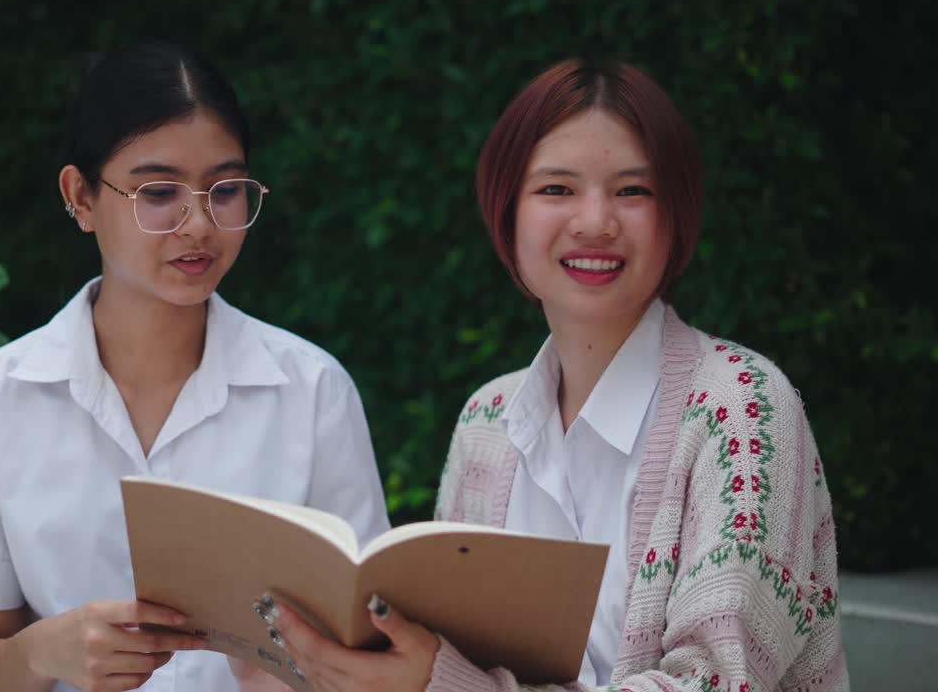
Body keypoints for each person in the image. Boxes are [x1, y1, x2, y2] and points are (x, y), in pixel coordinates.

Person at [258, 59, 848, 692]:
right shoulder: (486, 421)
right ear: (506, 216)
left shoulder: (745, 409)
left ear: (676, 217)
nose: (595, 222)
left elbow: (719, 682)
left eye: (633, 191)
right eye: (557, 189)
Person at [0, 40, 390, 692]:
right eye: (159, 191)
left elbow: (364, 649)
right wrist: (47, 651)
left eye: (226, 189)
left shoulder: (313, 391)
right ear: (80, 197)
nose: (199, 224)